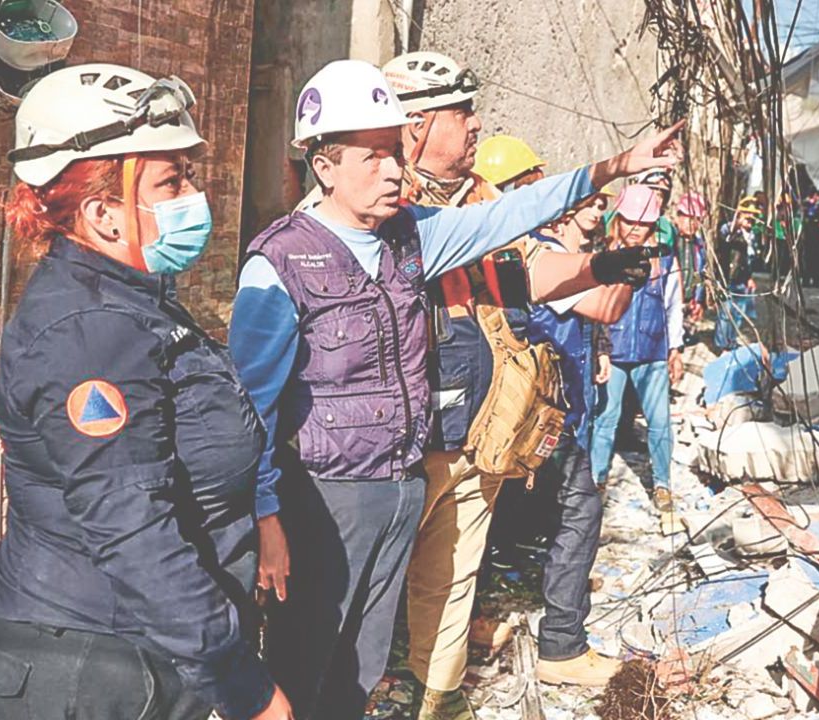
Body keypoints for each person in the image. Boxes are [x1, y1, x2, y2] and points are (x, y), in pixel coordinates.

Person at [227, 58, 681, 720]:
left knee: (367, 658)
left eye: (392, 151)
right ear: (324, 164)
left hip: (406, 477)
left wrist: (613, 170)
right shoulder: (284, 258)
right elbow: (251, 404)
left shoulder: (408, 241)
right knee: (307, 657)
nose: (390, 168)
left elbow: (516, 220)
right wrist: (265, 513)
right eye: (372, 154)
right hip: (324, 495)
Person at [0, 64, 290, 720]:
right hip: (95, 667)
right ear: (103, 212)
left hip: (141, 649)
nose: (194, 194)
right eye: (172, 180)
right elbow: (133, 528)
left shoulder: (131, 301)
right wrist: (244, 687)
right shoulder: (89, 331)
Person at [382, 52, 645, 719]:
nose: (476, 127)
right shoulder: (380, 203)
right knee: (367, 579)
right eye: (463, 113)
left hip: (476, 433)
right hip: (393, 439)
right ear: (415, 124)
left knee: (452, 577)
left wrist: (600, 267)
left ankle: (439, 700)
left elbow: (530, 275)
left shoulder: (482, 200)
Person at [525, 194, 633, 688]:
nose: (597, 213)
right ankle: (562, 644)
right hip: (547, 414)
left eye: (602, 204)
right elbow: (606, 306)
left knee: (530, 516)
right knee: (580, 511)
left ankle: (496, 614)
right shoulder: (546, 259)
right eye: (589, 204)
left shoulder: (558, 257)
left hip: (560, 407)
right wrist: (633, 264)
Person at [590, 185, 685, 513]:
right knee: (606, 418)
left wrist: (676, 349)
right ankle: (596, 481)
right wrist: (598, 350)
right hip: (612, 352)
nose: (635, 228)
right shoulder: (602, 257)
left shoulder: (665, 262)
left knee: (659, 421)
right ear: (618, 219)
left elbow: (674, 306)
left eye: (643, 223)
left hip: (652, 351)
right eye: (629, 220)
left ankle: (662, 485)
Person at [714, 200, 759, 352]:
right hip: (728, 279)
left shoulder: (752, 236)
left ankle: (731, 342)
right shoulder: (731, 231)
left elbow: (748, 261)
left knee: (738, 315)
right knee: (725, 314)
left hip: (742, 280)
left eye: (753, 218)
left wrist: (749, 277)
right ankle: (722, 345)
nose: (750, 221)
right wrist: (737, 222)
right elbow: (724, 233)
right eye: (747, 217)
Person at [673, 191, 708, 325]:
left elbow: (699, 274)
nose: (692, 223)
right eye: (688, 217)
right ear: (678, 217)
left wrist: (698, 299)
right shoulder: (670, 240)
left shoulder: (699, 246)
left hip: (687, 301)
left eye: (697, 219)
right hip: (669, 300)